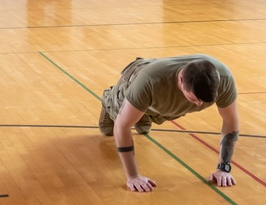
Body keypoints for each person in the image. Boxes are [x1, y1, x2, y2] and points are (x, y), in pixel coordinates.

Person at [99, 55, 240, 192]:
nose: (199, 104)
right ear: (180, 79)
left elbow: (230, 121)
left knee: (154, 116)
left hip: (160, 100)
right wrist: (133, 176)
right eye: (194, 99)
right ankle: (109, 100)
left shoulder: (225, 79)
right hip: (135, 80)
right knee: (110, 128)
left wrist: (224, 168)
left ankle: (143, 113)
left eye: (205, 101)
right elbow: (122, 126)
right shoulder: (149, 81)